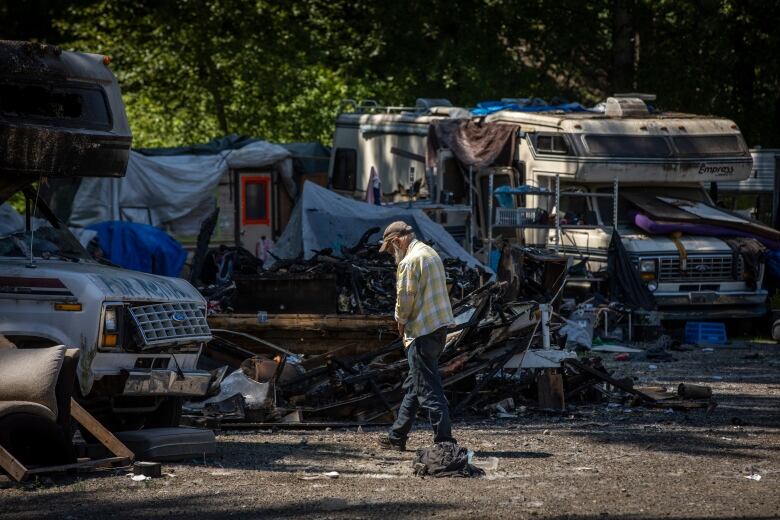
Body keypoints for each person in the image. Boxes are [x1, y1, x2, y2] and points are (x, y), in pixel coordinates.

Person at [377, 221, 456, 451]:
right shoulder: (430, 253)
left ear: (398, 241)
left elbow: (405, 302)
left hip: (421, 332)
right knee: (415, 384)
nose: (393, 254)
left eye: (391, 249)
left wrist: (400, 324)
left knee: (429, 389)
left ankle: (444, 441)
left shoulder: (409, 262)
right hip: (438, 329)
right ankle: (397, 436)